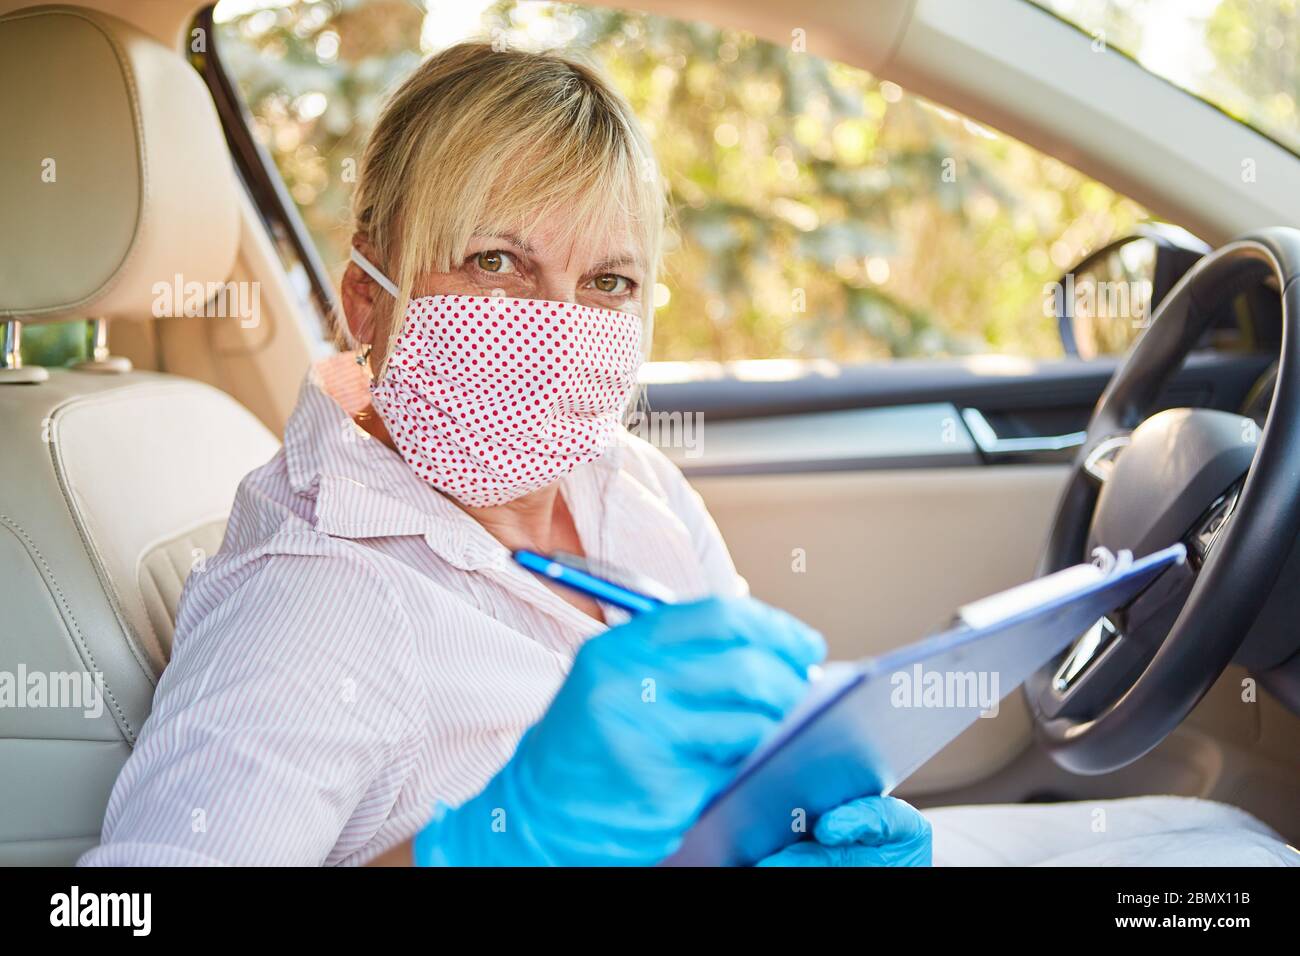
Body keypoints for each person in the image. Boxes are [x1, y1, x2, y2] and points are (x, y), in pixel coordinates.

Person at [80, 41, 1296, 868]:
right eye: (498, 262)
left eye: (607, 280)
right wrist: (496, 841)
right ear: (368, 298)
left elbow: (740, 762)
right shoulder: (311, 598)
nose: (557, 320)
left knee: (1230, 852)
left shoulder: (631, 487)